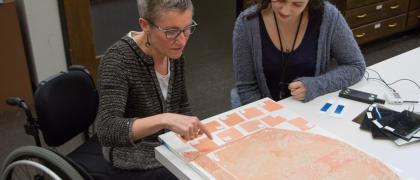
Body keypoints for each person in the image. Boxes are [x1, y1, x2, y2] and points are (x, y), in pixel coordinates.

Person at [95, 0, 211, 179]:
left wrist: (192, 137)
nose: (181, 40)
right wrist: (163, 119)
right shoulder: (117, 60)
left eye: (187, 28)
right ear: (145, 25)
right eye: (171, 31)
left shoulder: (173, 51)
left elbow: (181, 104)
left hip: (169, 151)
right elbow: (107, 130)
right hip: (132, 163)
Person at [231, 0, 366, 107]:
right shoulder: (247, 23)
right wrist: (270, 117)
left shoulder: (329, 17)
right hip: (264, 112)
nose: (285, 10)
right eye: (279, 0)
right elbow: (246, 88)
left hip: (309, 109)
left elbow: (355, 66)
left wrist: (316, 85)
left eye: (297, 4)